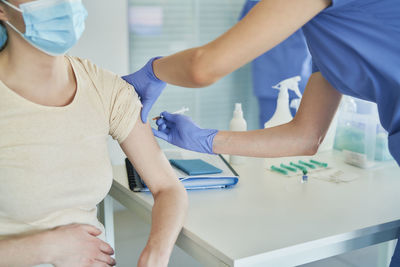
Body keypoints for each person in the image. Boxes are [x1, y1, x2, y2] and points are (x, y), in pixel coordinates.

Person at [122, 0, 400, 265]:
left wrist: (154, 71)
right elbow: (306, 136)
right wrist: (207, 140)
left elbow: (203, 67)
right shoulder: (326, 34)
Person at [0, 0, 187, 266]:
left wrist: (154, 255)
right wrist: (48, 247)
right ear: (2, 9)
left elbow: (168, 187)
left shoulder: (103, 87)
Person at [239, 0, 312, 128]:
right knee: (298, 132)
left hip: (271, 78)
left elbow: (243, 32)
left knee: (271, 132)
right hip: (295, 76)